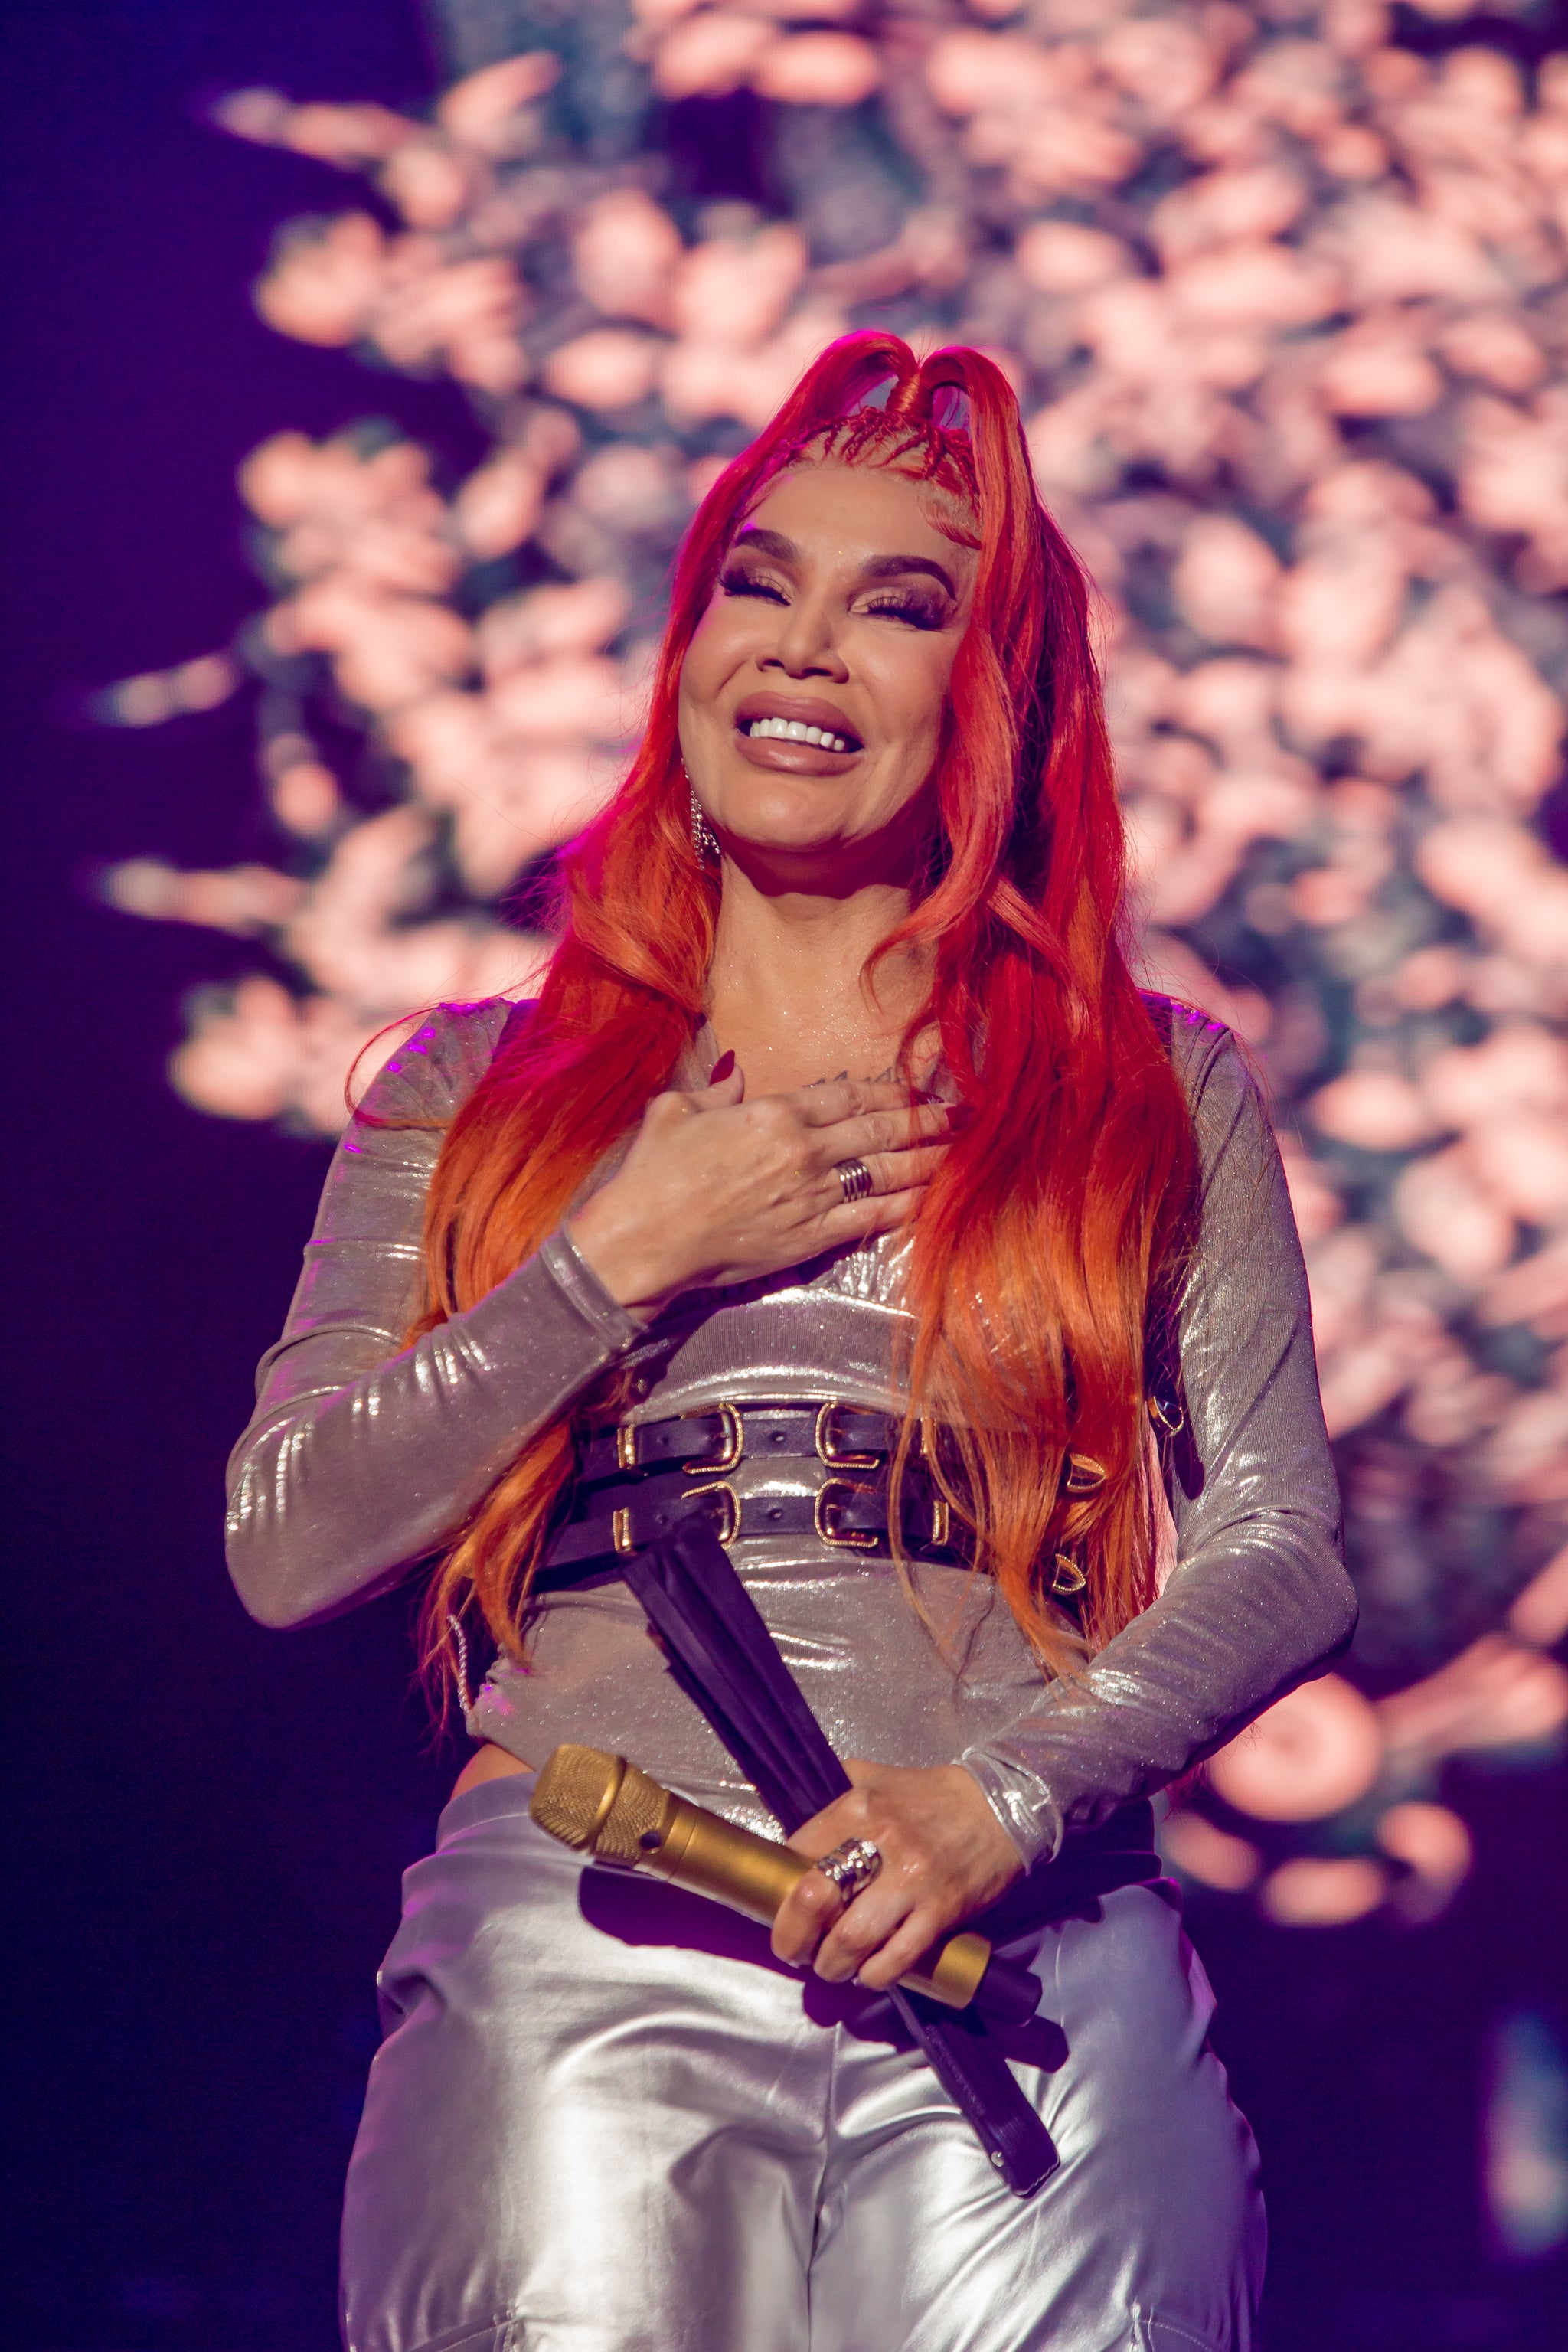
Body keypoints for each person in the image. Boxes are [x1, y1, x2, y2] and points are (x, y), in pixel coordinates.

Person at [227, 332, 1354, 2352]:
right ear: (686, 648)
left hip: (1036, 1956)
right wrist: (606, 1262)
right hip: (588, 1952)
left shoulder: (1157, 1096)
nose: (807, 649)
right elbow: (289, 1539)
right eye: (761, 582)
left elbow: (1285, 1548)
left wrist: (1007, 1800)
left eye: (898, 606)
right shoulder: (471, 1091)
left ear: (999, 703)